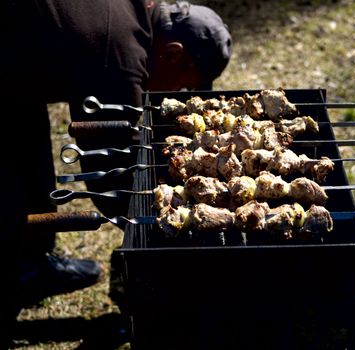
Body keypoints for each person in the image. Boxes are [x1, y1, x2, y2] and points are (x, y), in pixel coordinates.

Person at [0, 0, 232, 345]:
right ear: (170, 53)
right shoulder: (120, 53)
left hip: (12, 53)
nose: (179, 95)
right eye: (184, 85)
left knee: (24, 134)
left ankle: (31, 266)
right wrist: (174, 217)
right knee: (3, 188)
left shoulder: (134, 13)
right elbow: (112, 177)